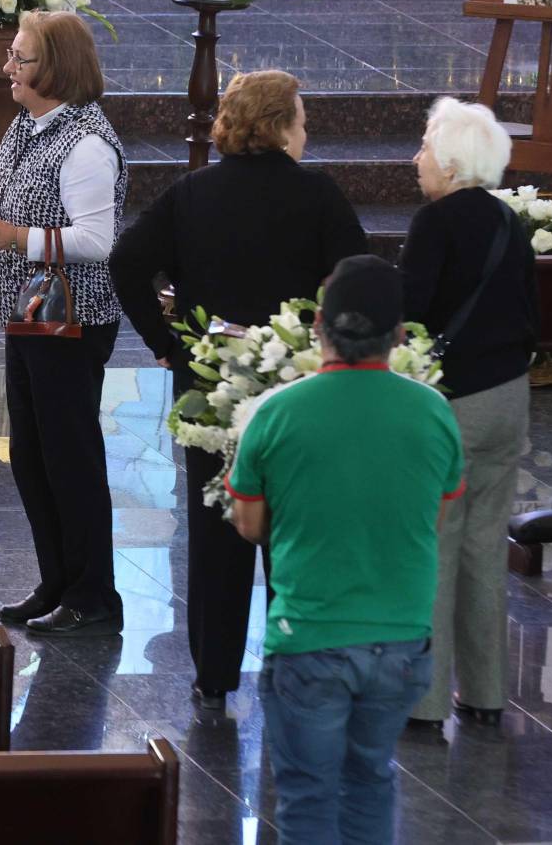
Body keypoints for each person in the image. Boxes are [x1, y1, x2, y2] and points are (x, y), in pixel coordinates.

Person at [109, 69, 366, 709]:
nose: (305, 133)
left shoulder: (193, 192)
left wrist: (167, 344)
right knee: (296, 528)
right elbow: (355, 280)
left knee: (215, 523)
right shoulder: (318, 196)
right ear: (279, 126)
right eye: (301, 121)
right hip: (297, 384)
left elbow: (125, 262)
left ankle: (214, 673)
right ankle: (290, 663)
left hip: (211, 383)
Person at [228, 255, 464, 844]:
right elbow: (432, 518)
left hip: (310, 637)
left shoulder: (277, 412)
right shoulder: (434, 413)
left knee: (308, 794)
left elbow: (250, 524)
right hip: (402, 640)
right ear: (401, 337)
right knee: (371, 779)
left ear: (317, 327)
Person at [0, 11, 126, 635]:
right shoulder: (28, 127)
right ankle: (57, 580)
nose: (7, 67)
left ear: (56, 68)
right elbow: (8, 213)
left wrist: (8, 236)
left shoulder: (86, 142)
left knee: (70, 457)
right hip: (33, 307)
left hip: (73, 313)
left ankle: (94, 596)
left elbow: (96, 240)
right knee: (34, 456)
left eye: (21, 58)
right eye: (12, 55)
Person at [400, 96, 538, 730]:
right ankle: (484, 695)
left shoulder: (437, 223)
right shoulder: (511, 223)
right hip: (510, 397)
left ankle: (424, 702)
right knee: (486, 543)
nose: (417, 158)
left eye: (426, 147)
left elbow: (412, 311)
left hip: (453, 404)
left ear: (452, 165)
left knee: (434, 543)